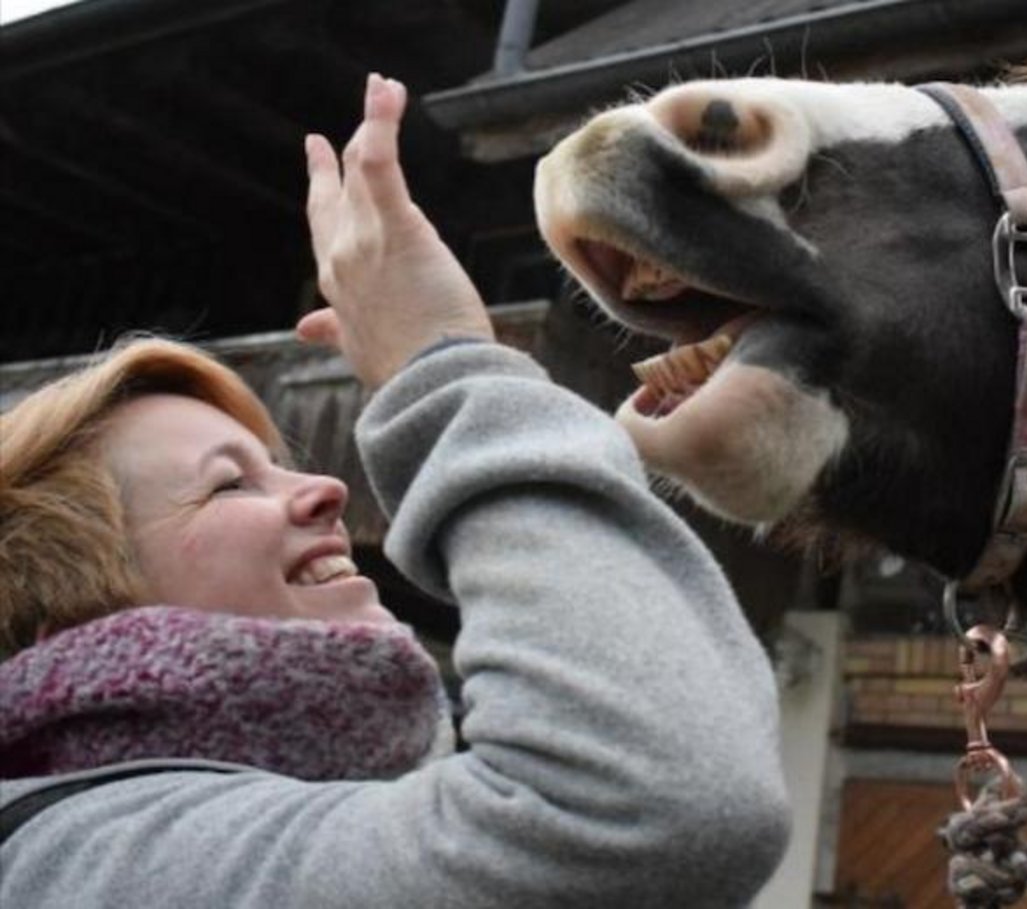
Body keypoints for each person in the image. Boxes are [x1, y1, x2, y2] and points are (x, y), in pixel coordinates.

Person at [0, 73, 789, 907]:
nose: (326, 489)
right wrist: (445, 366)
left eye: (281, 462)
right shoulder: (84, 857)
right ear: (73, 626)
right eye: (229, 483)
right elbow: (656, 802)